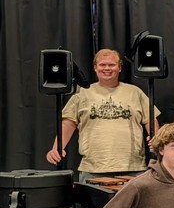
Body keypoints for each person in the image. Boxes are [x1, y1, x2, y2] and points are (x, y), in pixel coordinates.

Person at [45, 49, 160, 181]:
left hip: (133, 168)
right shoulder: (82, 93)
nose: (107, 68)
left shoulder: (135, 92)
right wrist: (57, 148)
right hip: (93, 169)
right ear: (95, 68)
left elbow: (150, 119)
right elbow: (68, 122)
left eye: (111, 65)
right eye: (102, 65)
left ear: (120, 67)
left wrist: (156, 138)